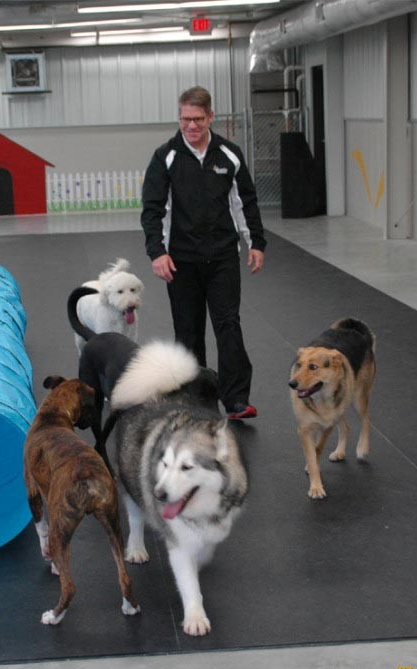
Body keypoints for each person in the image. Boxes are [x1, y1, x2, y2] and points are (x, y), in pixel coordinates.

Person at [141, 85, 266, 420]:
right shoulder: (165, 157)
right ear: (179, 118)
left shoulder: (230, 155)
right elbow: (153, 209)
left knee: (228, 325)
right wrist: (157, 252)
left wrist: (255, 242)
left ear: (211, 117)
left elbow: (245, 202)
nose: (191, 126)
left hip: (223, 257)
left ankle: (236, 399)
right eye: (185, 119)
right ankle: (194, 399)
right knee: (188, 330)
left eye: (197, 119)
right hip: (181, 261)